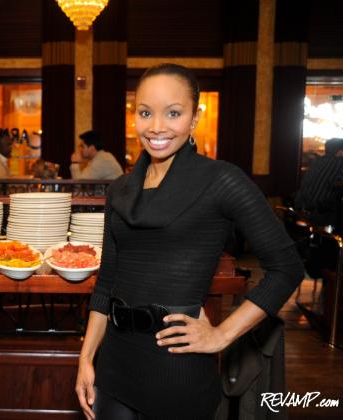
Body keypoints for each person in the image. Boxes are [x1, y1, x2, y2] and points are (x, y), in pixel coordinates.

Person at [75, 63, 304, 420]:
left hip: (178, 368)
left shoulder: (221, 181)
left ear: (194, 119)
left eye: (174, 113)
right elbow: (106, 284)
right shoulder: (120, 189)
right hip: (115, 365)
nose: (157, 127)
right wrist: (86, 358)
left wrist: (221, 335)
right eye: (146, 113)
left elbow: (286, 268)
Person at [294, 137, 343, 228]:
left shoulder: (317, 161)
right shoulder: (340, 162)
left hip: (300, 209)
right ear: (339, 152)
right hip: (321, 214)